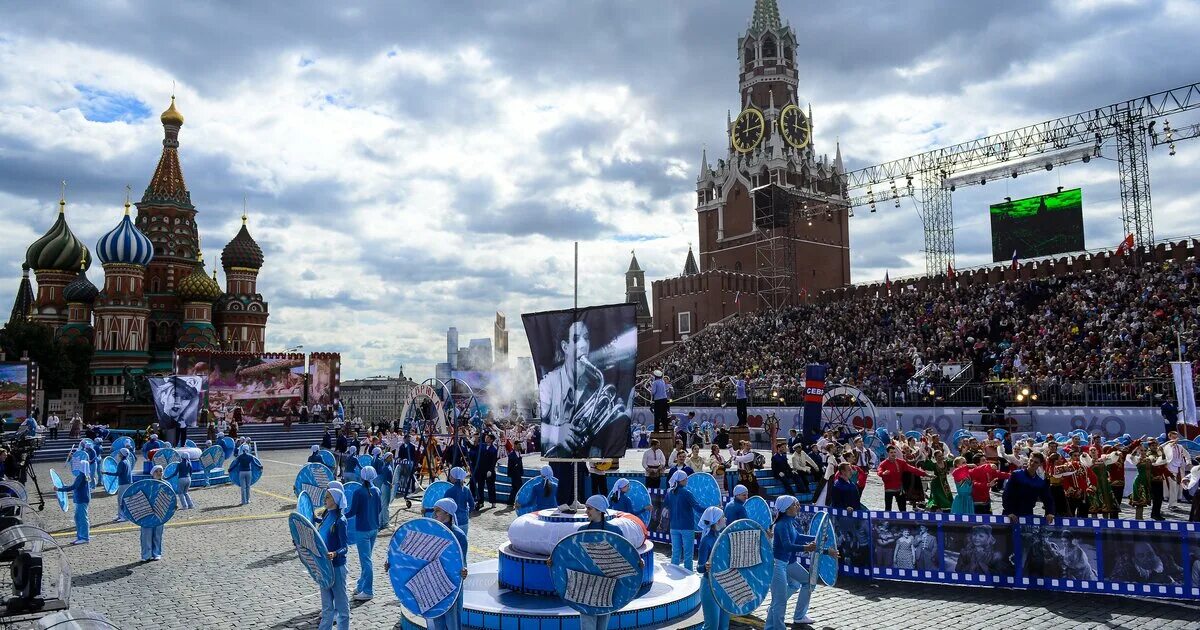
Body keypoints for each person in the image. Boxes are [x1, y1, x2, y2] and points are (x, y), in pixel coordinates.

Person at [765, 495, 837, 629]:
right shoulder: (781, 525)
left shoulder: (788, 522)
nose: (798, 507)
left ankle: (792, 619)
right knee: (779, 602)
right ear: (786, 509)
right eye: (795, 505)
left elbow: (798, 537)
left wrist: (819, 539)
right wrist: (806, 547)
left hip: (785, 563)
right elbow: (787, 546)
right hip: (777, 565)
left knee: (783, 598)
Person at [428, 498, 470, 630]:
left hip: (451, 584)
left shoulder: (458, 535)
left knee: (453, 622)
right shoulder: (433, 530)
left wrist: (464, 571)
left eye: (438, 511)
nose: (434, 514)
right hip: (435, 583)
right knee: (437, 620)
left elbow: (462, 561)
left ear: (448, 513)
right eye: (434, 510)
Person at [317, 486, 351, 630]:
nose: (325, 499)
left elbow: (345, 547)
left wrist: (334, 553)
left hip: (336, 567)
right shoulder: (326, 515)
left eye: (328, 497)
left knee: (342, 608)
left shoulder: (341, 521)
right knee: (326, 607)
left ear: (336, 500)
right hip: (324, 567)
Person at [349, 466, 382, 601]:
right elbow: (379, 509)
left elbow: (352, 512)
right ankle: (361, 585)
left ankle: (368, 590)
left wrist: (339, 512)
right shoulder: (377, 490)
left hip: (362, 530)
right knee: (366, 559)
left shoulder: (359, 492)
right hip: (374, 528)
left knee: (366, 561)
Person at [697, 505, 729, 630]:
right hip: (709, 585)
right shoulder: (707, 540)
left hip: (723, 584)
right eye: (723, 517)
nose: (725, 519)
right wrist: (705, 566)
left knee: (723, 626)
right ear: (717, 521)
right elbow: (699, 568)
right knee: (712, 626)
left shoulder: (722, 537)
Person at [665, 470, 701, 571]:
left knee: (675, 553)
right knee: (688, 555)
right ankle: (689, 576)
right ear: (681, 481)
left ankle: (674, 571)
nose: (687, 480)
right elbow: (697, 508)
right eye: (685, 479)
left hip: (674, 526)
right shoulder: (687, 493)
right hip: (687, 527)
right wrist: (712, 508)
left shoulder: (670, 492)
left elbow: (667, 505)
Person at [1002, 453, 1055, 520]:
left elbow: (1047, 498)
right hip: (1010, 514)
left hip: (1027, 515)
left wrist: (1049, 513)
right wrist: (1009, 511)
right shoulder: (1016, 475)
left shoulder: (1040, 482)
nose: (1032, 463)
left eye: (1036, 462)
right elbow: (1007, 494)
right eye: (1031, 460)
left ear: (1040, 464)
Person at [877, 445, 927, 512]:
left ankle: (904, 520)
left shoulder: (901, 462)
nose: (893, 454)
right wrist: (883, 473)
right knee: (888, 509)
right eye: (891, 452)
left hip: (899, 490)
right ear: (888, 453)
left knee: (903, 509)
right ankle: (887, 521)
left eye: (894, 452)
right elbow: (879, 470)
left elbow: (912, 469)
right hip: (889, 490)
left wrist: (925, 474)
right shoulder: (883, 464)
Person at [55, 459, 91, 545]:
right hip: (81, 499)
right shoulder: (84, 475)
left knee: (82, 518)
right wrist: (64, 486)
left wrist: (60, 489)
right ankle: (80, 536)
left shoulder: (81, 476)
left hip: (81, 500)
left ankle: (84, 537)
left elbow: (74, 487)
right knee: (78, 517)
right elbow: (75, 486)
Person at [139, 465, 168, 560]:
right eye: (157, 471)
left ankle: (156, 553)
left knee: (157, 534)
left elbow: (171, 499)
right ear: (153, 473)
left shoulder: (166, 484)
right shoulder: (146, 484)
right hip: (147, 513)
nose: (159, 473)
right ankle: (146, 555)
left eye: (161, 471)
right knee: (146, 534)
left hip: (160, 513)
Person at [105, 448, 135, 522]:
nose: (118, 454)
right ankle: (120, 515)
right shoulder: (127, 461)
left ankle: (123, 516)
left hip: (124, 483)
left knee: (121, 500)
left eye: (119, 453)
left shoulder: (122, 463)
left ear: (122, 454)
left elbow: (117, 473)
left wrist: (106, 473)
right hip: (127, 483)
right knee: (121, 499)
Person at [445, 467, 475, 536]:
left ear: (454, 477)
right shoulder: (466, 490)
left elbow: (442, 507)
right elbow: (472, 505)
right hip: (464, 521)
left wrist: (427, 510)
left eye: (450, 475)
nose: (449, 477)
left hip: (454, 523)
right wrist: (467, 514)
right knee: (463, 542)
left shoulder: (449, 491)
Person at [471, 434, 499, 508]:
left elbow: (493, 461)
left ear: (491, 440)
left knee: (491, 487)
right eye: (486, 437)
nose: (486, 439)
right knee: (480, 486)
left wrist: (490, 470)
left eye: (488, 438)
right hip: (481, 470)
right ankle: (481, 502)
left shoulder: (494, 449)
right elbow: (474, 446)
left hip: (489, 471)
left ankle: (493, 502)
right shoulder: (482, 446)